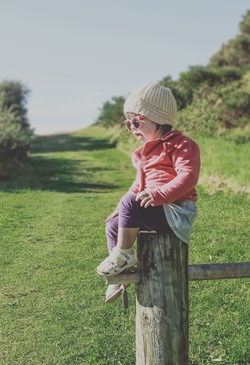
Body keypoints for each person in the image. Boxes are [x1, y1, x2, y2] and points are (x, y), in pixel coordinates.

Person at [96, 81, 200, 303]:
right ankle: (121, 274)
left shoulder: (180, 145)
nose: (132, 127)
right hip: (155, 209)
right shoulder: (146, 152)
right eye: (128, 123)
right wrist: (120, 209)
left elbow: (188, 176)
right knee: (113, 224)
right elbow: (138, 185)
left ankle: (124, 256)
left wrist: (158, 195)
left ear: (160, 118)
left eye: (136, 121)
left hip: (175, 211)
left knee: (130, 203)